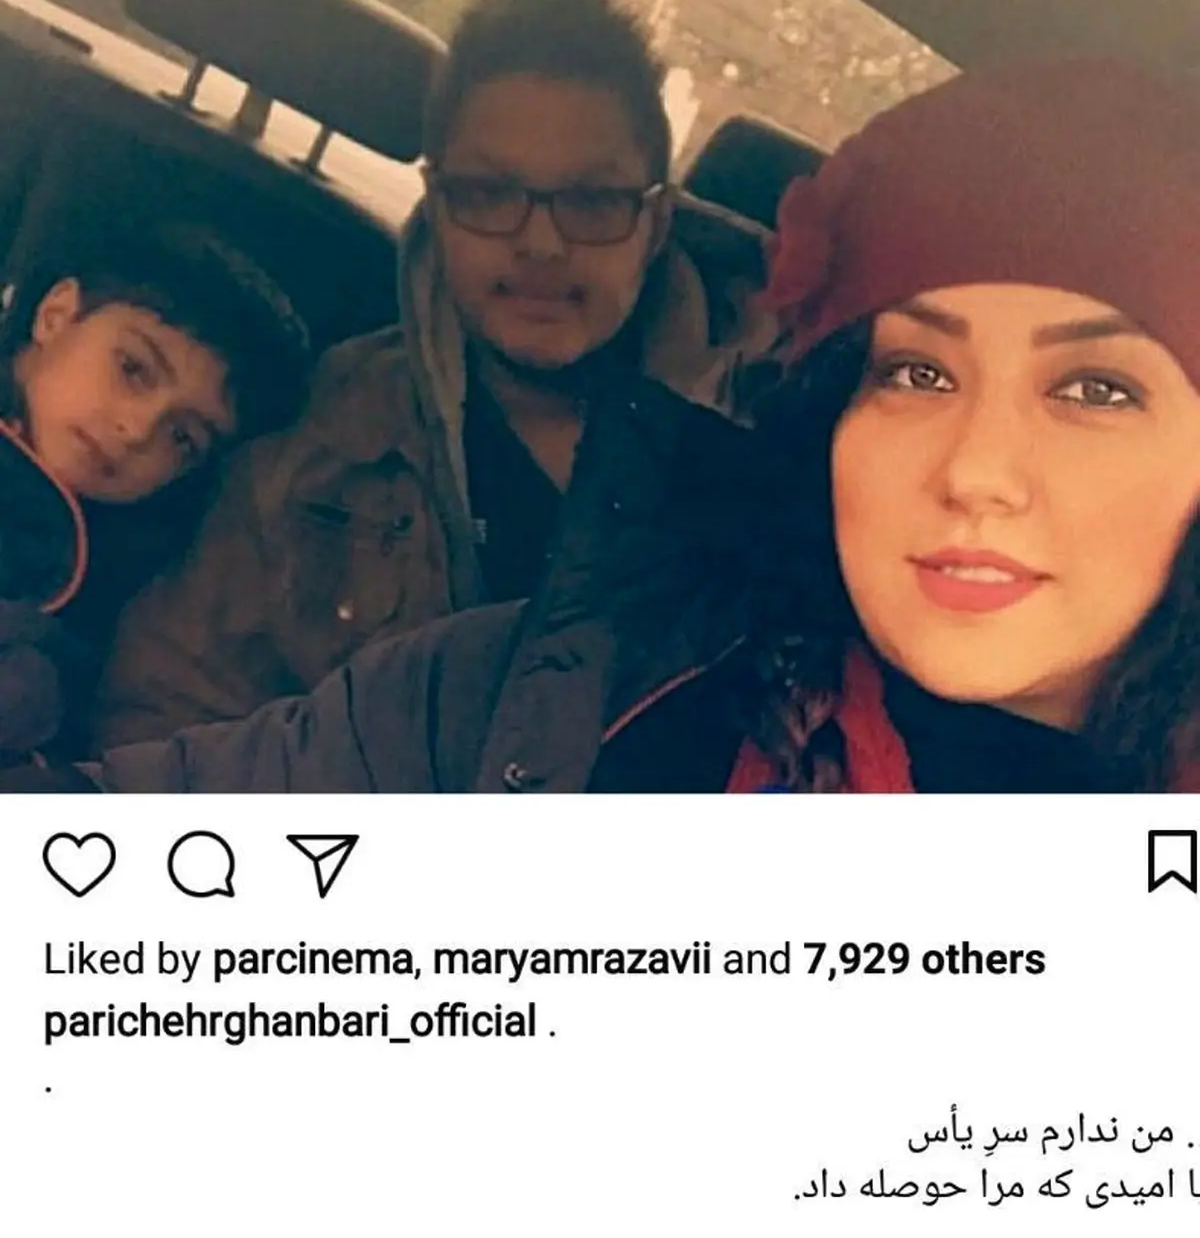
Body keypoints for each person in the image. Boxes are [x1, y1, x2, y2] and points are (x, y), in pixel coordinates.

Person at [15, 54, 1200, 798]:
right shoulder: (535, 681)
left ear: (657, 215)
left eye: (1097, 389)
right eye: (917, 372)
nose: (978, 467)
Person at [93, 0, 775, 748]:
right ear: (437, 201)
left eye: (592, 201)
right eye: (488, 192)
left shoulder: (775, 453)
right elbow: (163, 708)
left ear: (656, 221)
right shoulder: (333, 431)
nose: (541, 243)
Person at [0, 225, 309, 757]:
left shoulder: (138, 596)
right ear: (56, 315)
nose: (138, 430)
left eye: (182, 437)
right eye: (133, 370)